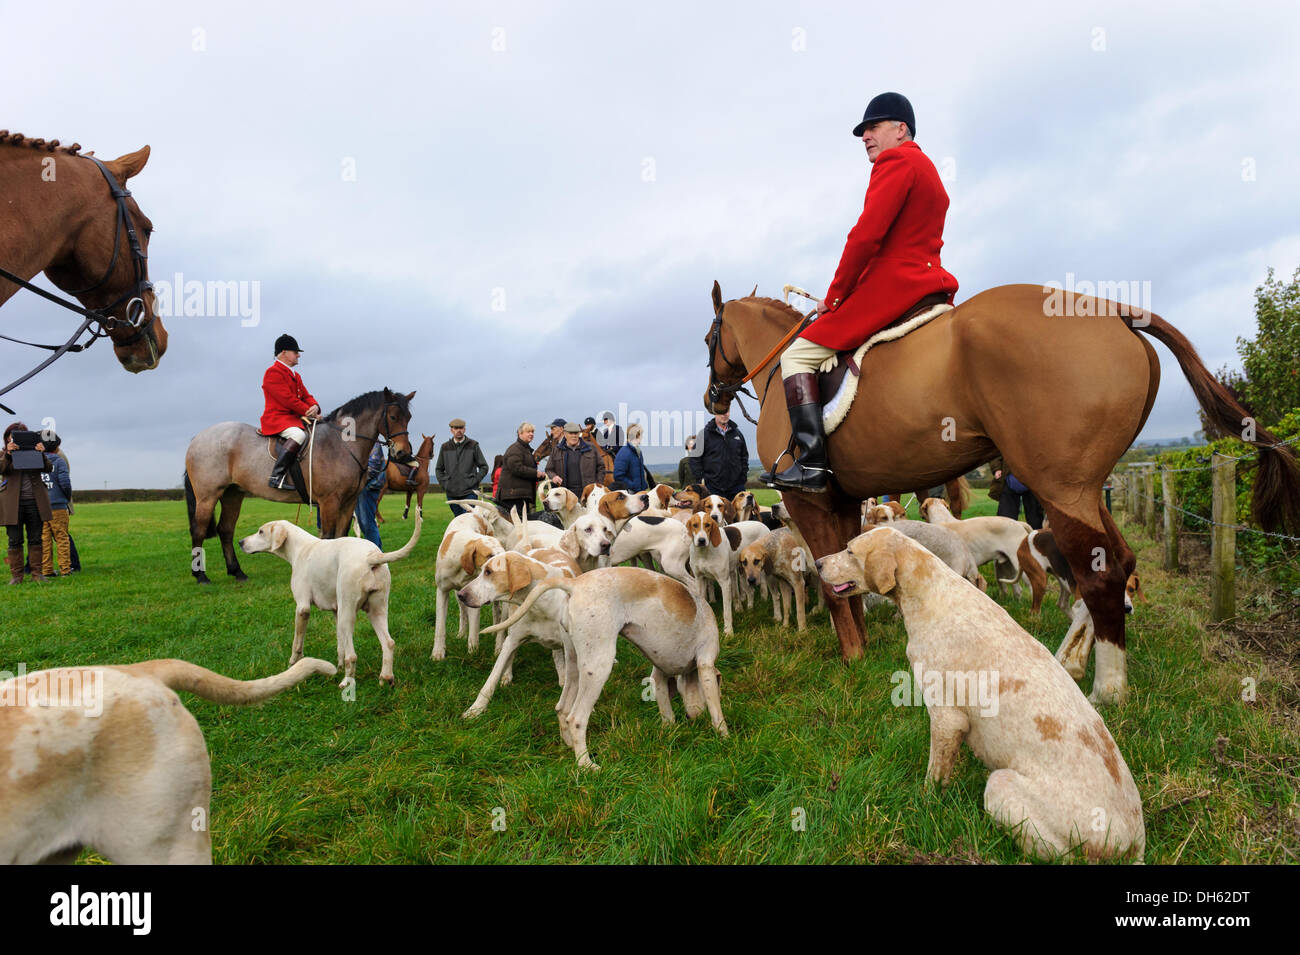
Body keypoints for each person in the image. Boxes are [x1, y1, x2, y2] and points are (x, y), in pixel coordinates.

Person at [759, 92, 959, 493]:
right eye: (863, 131)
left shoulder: (897, 160)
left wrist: (833, 299)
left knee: (796, 353)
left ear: (901, 129)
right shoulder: (929, 168)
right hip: (930, 283)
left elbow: (866, 237)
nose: (865, 136)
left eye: (873, 127)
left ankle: (813, 464)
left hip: (893, 288)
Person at [261, 333, 320, 492]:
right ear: (284, 353)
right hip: (278, 419)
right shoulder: (273, 373)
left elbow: (307, 396)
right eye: (295, 352)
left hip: (294, 418)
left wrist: (315, 406)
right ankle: (276, 476)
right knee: (298, 435)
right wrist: (309, 412)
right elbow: (287, 400)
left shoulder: (295, 375)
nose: (298, 355)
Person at [2, 421, 53, 583]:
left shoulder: (35, 452)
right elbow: (1, 469)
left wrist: (42, 453)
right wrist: (9, 454)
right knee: (14, 539)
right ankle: (17, 576)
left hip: (35, 500)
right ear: (7, 439)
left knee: (36, 538)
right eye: (11, 437)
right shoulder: (3, 454)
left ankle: (37, 574)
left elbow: (48, 468)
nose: (14, 441)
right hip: (12, 504)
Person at [436, 418, 488, 517]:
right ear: (451, 430)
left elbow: (484, 466)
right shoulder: (445, 447)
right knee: (458, 519)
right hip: (452, 493)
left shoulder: (473, 445)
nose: (458, 430)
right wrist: (445, 484)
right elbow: (439, 469)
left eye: (461, 428)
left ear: (464, 429)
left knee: (468, 519)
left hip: (470, 492)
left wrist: (474, 481)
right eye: (456, 428)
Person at [690, 411, 749, 499]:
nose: (724, 414)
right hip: (712, 488)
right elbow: (694, 459)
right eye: (721, 411)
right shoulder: (704, 434)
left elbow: (744, 457)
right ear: (715, 412)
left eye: (727, 411)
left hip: (736, 488)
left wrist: (742, 479)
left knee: (739, 513)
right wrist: (703, 480)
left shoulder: (737, 434)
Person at [40, 433, 74, 577]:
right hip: (58, 506)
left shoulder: (37, 462)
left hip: (41, 507)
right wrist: (66, 498)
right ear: (57, 447)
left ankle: (46, 570)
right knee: (62, 538)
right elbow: (65, 483)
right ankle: (65, 569)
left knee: (44, 539)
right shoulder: (59, 461)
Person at [498, 422, 546, 519]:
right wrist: (535, 473)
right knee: (517, 524)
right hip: (513, 496)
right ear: (520, 433)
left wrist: (540, 476)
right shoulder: (515, 449)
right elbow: (516, 468)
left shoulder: (524, 449)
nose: (531, 434)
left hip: (519, 494)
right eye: (528, 431)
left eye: (532, 432)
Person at [546, 421, 605, 491]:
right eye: (571, 433)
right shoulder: (556, 450)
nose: (574, 436)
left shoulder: (591, 448)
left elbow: (601, 467)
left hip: (588, 492)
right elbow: (549, 469)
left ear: (579, 433)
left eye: (576, 433)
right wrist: (554, 477)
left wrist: (598, 485)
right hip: (565, 493)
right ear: (565, 434)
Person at [989, 456, 1044, 529]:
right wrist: (997, 469)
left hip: (1033, 480)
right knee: (1006, 519)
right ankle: (1007, 539)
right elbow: (995, 453)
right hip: (1009, 479)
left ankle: (1036, 538)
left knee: (1035, 520)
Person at [353, 442, 386, 548]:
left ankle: (375, 553)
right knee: (363, 523)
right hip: (360, 487)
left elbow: (373, 467)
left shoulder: (374, 444)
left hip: (369, 487)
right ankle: (378, 551)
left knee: (367, 523)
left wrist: (351, 479)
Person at [613, 423, 652, 492]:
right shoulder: (624, 453)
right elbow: (618, 476)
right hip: (631, 494)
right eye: (641, 435)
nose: (642, 437)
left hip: (640, 492)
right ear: (637, 435)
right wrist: (633, 486)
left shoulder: (638, 452)